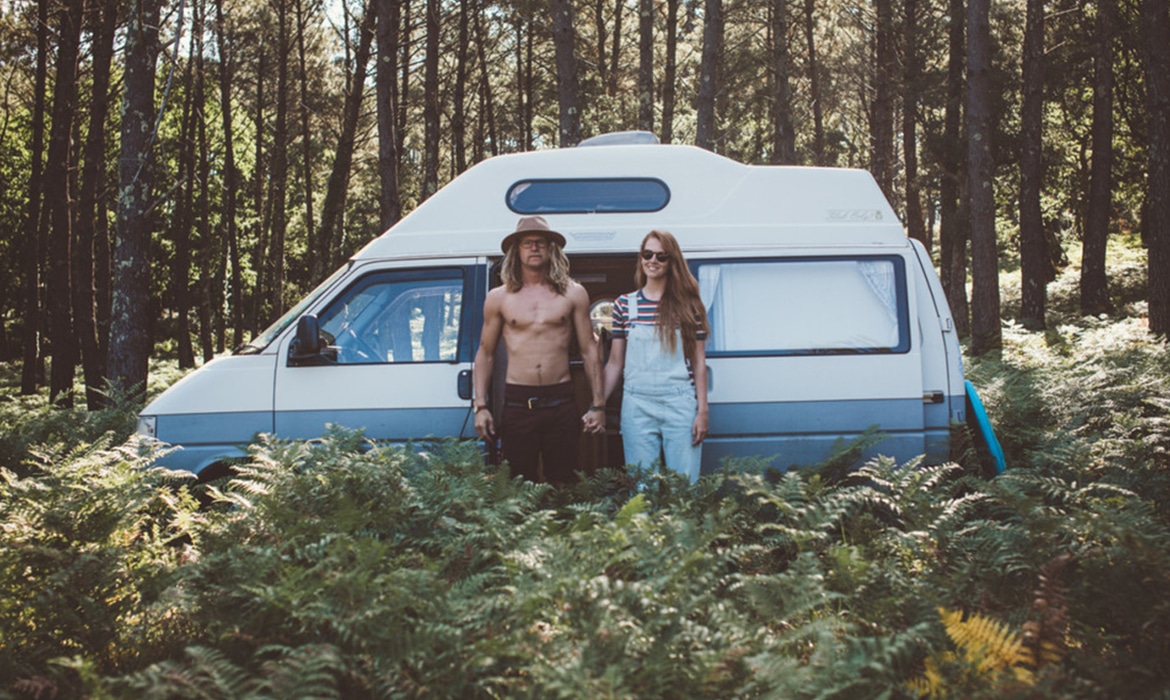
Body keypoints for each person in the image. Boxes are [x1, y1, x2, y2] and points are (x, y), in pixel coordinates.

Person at [473, 215, 606, 486]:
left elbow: (589, 350)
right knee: (519, 485)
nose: (534, 248)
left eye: (540, 243)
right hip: (517, 402)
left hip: (561, 401)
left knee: (565, 483)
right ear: (517, 251)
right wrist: (481, 406)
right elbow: (485, 353)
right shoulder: (499, 297)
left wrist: (598, 404)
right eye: (527, 243)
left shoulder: (573, 293)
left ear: (550, 249)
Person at [603, 230, 710, 483]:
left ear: (672, 261)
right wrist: (597, 404)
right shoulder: (623, 305)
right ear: (641, 258)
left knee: (684, 486)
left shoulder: (689, 306)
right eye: (647, 254)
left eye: (662, 256)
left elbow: (698, 362)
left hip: (679, 402)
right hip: (636, 403)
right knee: (642, 486)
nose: (653, 260)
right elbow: (615, 363)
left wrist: (703, 411)